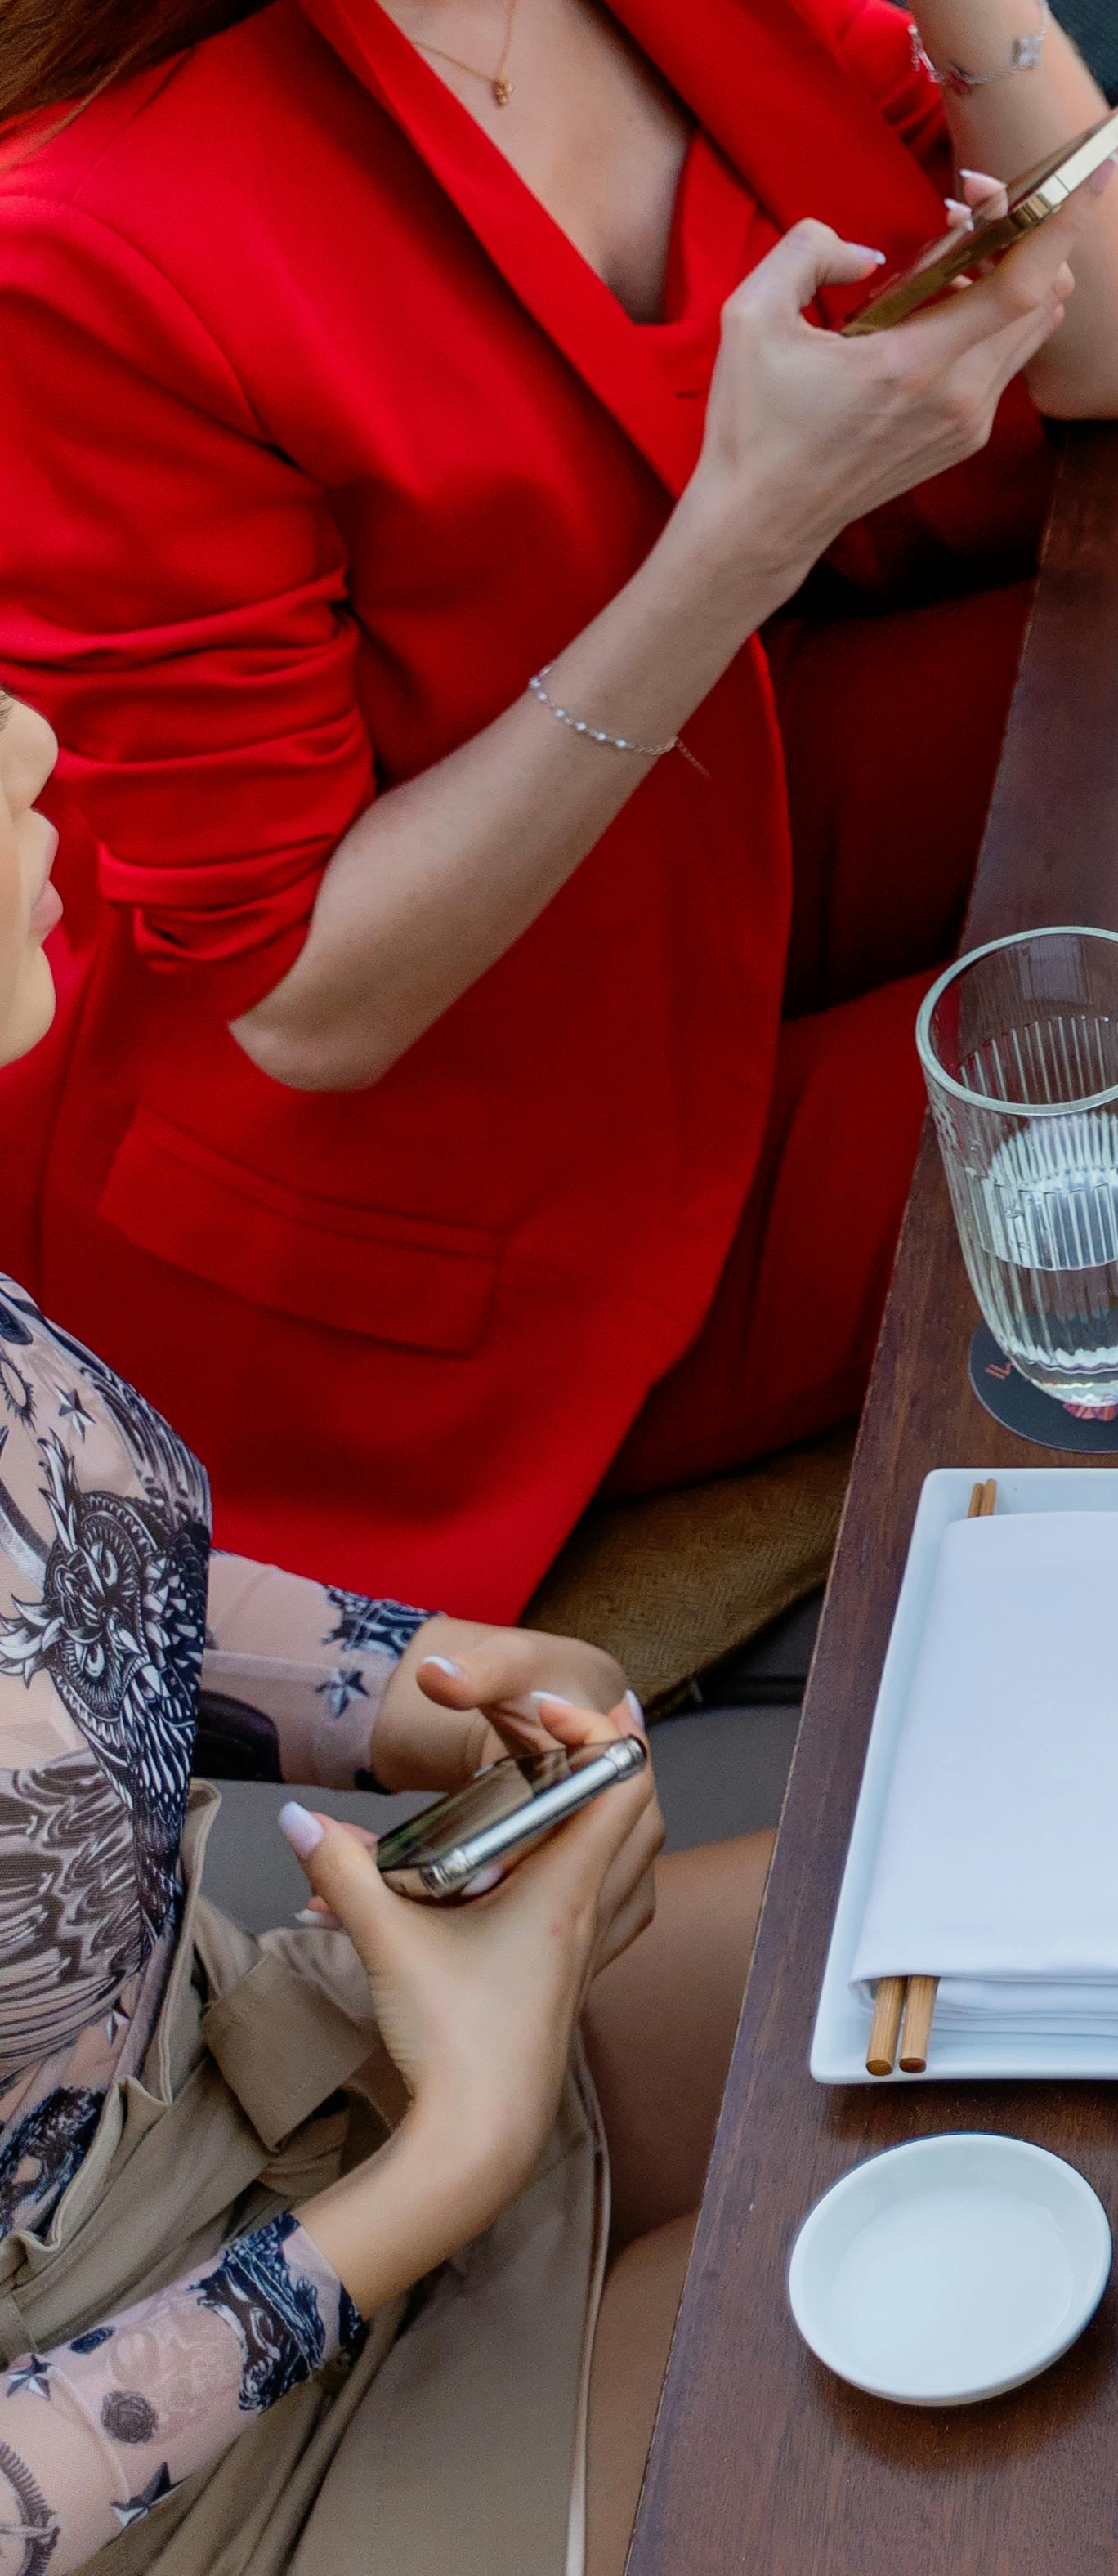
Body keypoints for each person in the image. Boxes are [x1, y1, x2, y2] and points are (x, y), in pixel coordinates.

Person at [0, 0, 1118, 1621]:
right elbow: (301, 1002)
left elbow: (1116, 358)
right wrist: (741, 534)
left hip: (694, 827)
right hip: (460, 1191)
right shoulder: (83, 239)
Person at [0, 680, 758, 2574]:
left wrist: (411, 1693)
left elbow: (74, 1592)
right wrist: (449, 2165)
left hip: (270, 2097)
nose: (25, 735)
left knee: (1070, 1981)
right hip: (172, 2473)